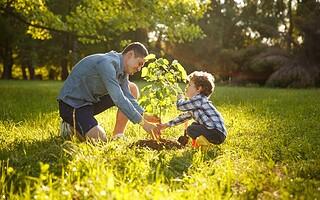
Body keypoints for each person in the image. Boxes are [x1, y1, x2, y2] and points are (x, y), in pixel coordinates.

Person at [58, 42, 160, 142]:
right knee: (100, 140)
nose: (139, 69)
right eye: (139, 63)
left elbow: (128, 97)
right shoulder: (107, 63)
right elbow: (119, 98)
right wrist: (144, 124)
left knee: (131, 88)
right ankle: (69, 126)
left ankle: (118, 135)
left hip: (89, 103)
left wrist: (144, 116)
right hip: (72, 105)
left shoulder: (123, 72)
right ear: (130, 54)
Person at [156, 71, 227, 147]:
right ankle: (196, 145)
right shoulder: (196, 104)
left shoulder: (199, 99)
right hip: (217, 133)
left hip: (216, 132)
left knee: (191, 129)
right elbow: (183, 117)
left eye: (189, 85)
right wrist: (166, 125)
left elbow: (180, 106)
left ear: (199, 89)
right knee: (194, 125)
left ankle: (203, 146)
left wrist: (180, 97)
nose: (186, 87)